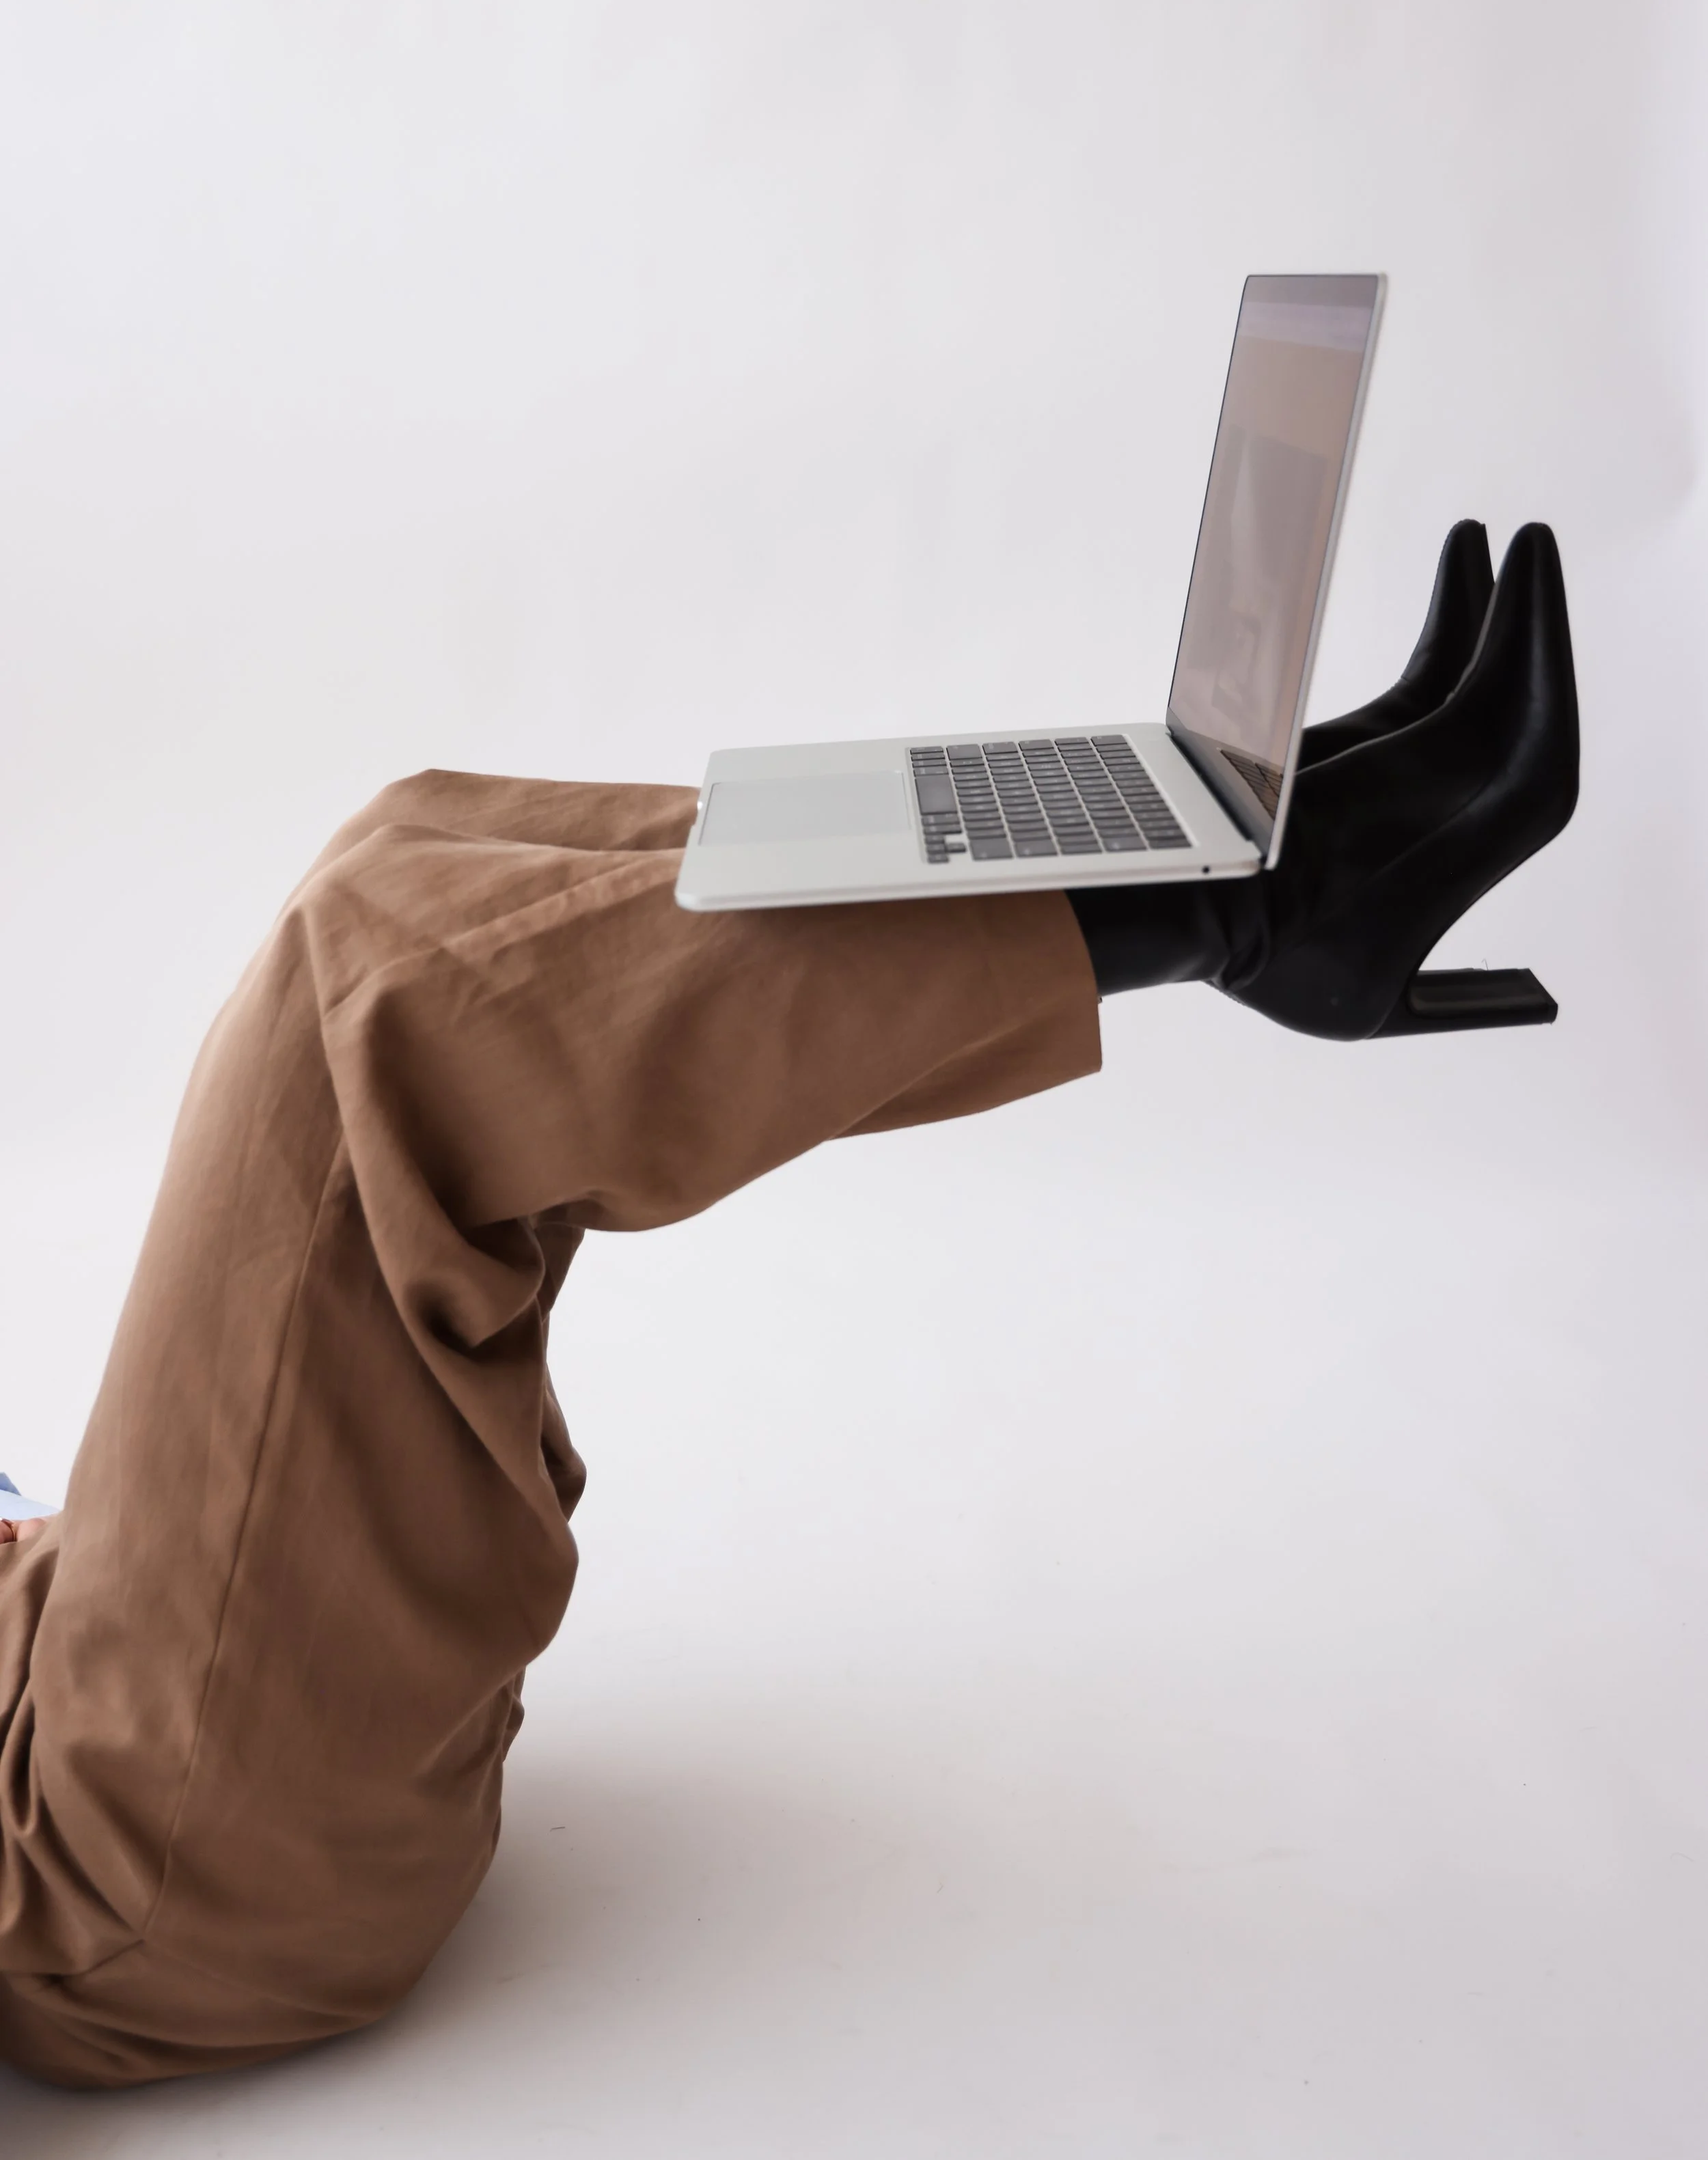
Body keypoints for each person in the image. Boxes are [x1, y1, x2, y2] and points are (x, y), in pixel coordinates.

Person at [0, 521, 1577, 2088]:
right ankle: (1251, 901)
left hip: (55, 1627)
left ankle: (1214, 826)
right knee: (376, 1004)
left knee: (403, 847)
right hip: (123, 1862)